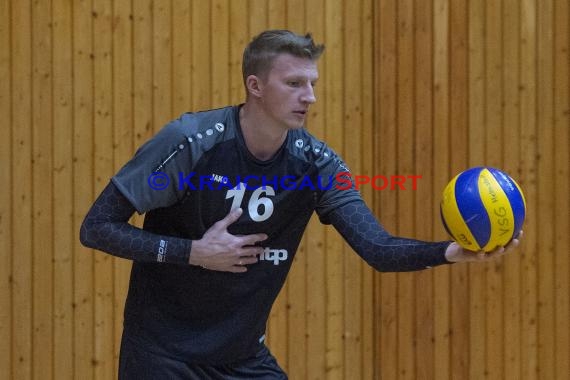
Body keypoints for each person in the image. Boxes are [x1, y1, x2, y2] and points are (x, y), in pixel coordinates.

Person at [80, 29, 520, 379]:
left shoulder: (318, 165)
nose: (309, 96)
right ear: (254, 85)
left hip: (240, 358)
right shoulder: (189, 143)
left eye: (312, 84)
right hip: (162, 355)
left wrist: (451, 252)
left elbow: (378, 249)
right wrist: (193, 253)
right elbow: (97, 226)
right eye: (294, 83)